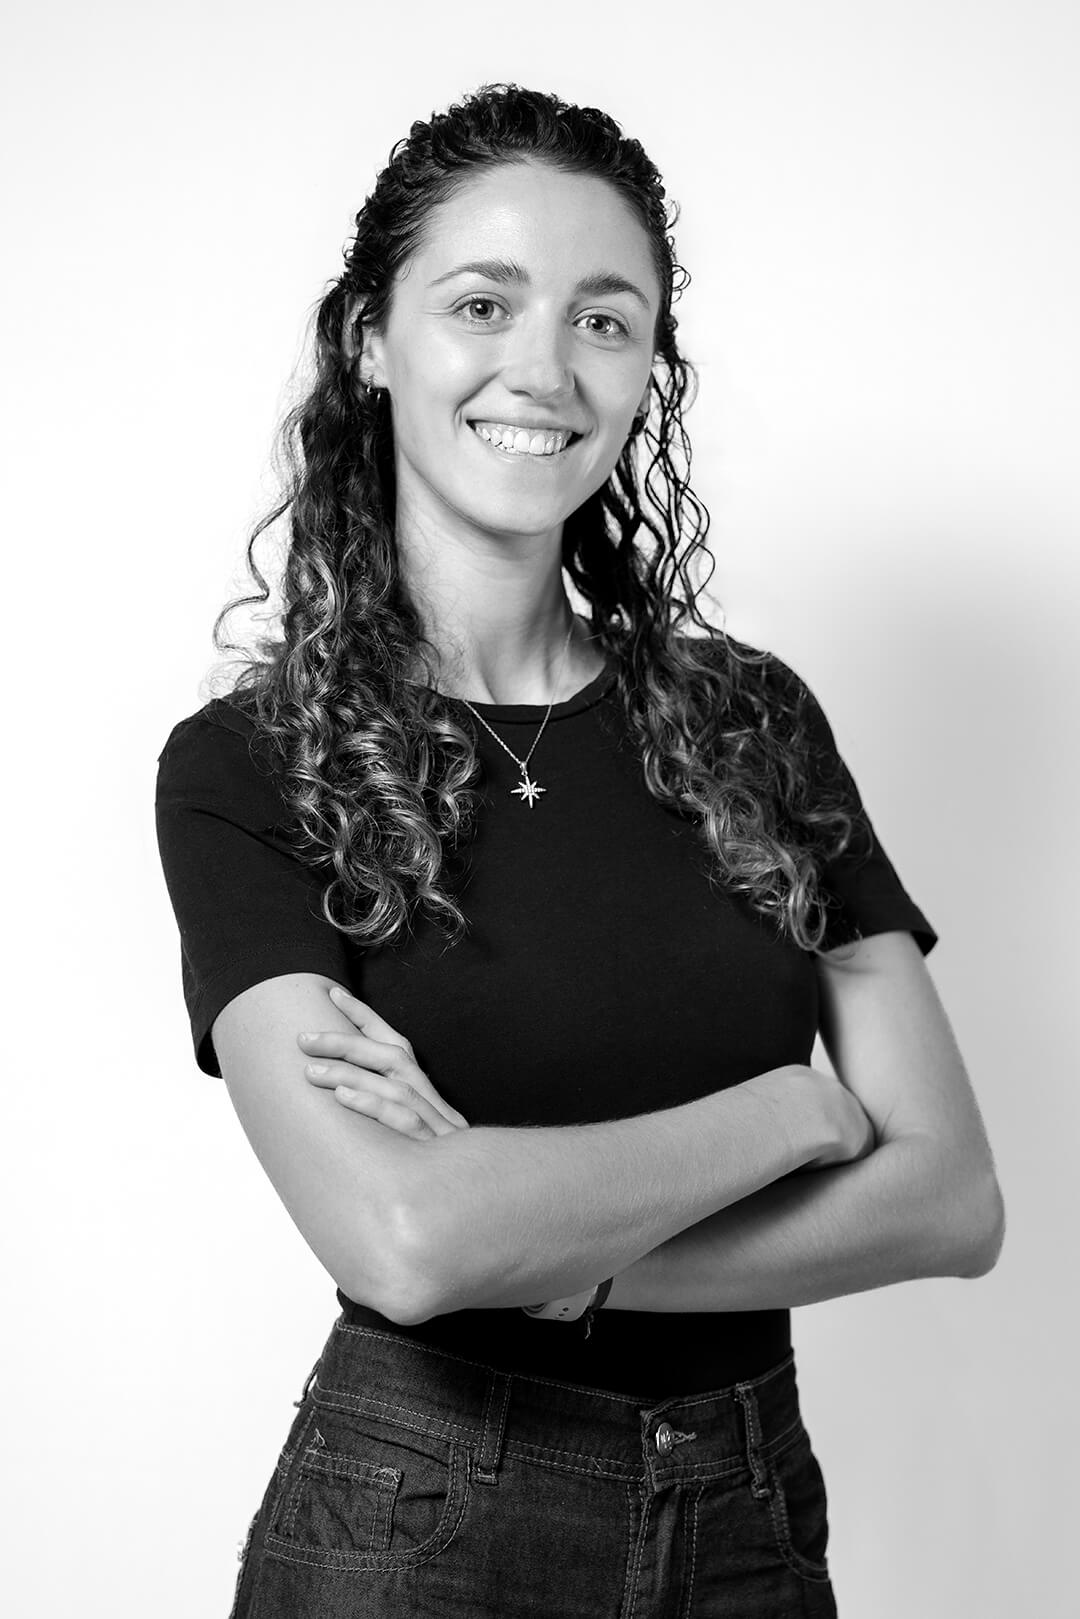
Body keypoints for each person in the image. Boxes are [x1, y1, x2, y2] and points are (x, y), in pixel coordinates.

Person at [155, 83, 1004, 1619]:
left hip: (749, 1507)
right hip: (420, 1515)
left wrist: (573, 1259)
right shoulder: (247, 770)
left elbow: (951, 1199)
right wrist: (795, 1113)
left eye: (605, 320)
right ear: (370, 339)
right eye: (482, 303)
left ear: (645, 367)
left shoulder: (754, 719)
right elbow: (409, 1243)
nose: (542, 368)